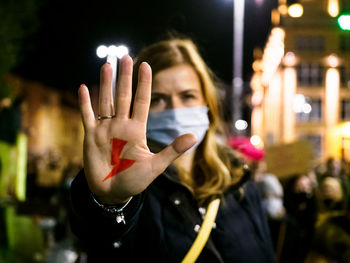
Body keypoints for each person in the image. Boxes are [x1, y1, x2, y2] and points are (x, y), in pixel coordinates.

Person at [69, 38, 275, 263]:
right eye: (157, 99)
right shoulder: (131, 188)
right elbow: (102, 244)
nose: (176, 110)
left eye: (188, 96)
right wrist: (112, 203)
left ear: (208, 104)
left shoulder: (238, 180)